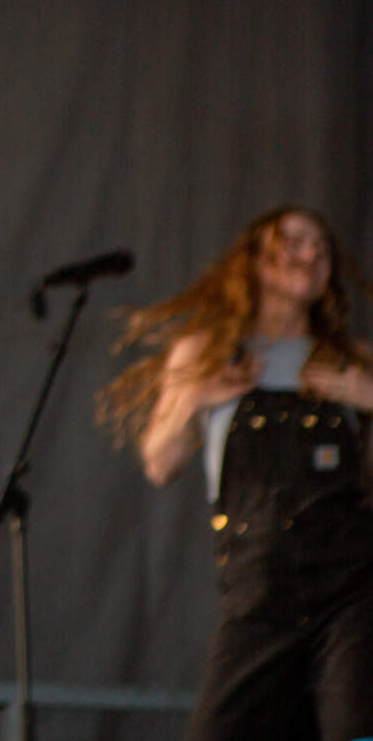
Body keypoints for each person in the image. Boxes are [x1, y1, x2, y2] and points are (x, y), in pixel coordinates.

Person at [100, 204, 373, 741]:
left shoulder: (353, 358)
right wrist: (193, 398)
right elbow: (160, 463)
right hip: (258, 590)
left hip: (352, 591)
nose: (312, 254)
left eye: (321, 247)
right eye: (294, 241)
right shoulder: (206, 353)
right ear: (254, 258)